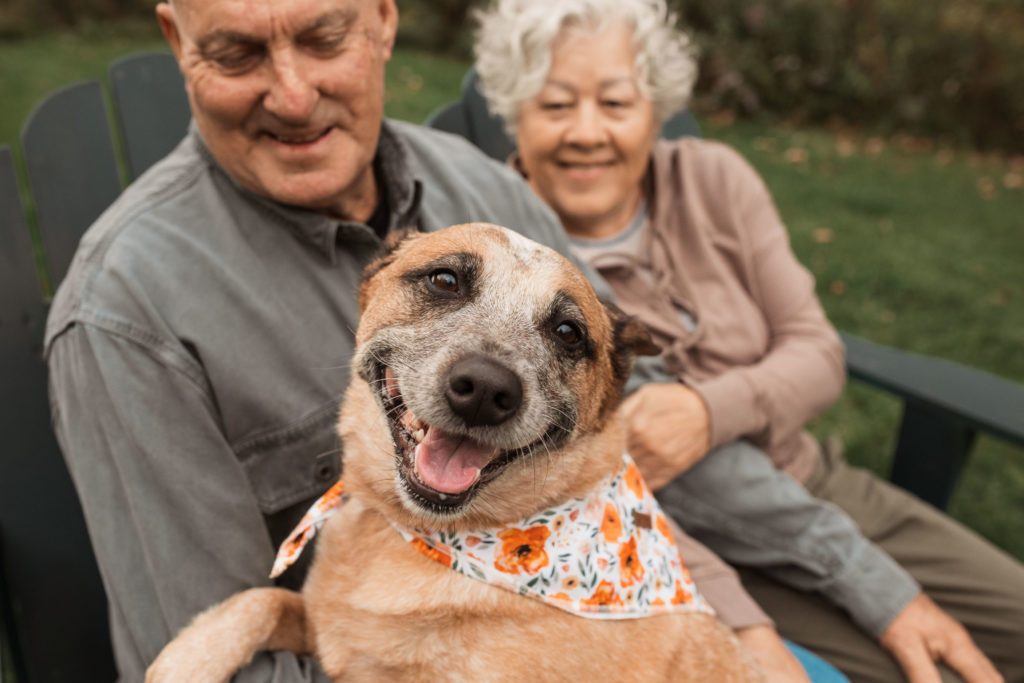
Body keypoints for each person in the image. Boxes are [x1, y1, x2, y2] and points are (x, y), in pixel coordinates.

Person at [43, 0, 827, 680]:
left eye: (323, 38)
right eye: (237, 50)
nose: (292, 93)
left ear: (384, 20)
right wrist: (258, 614)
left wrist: (758, 623)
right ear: (178, 41)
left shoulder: (481, 185)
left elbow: (641, 446)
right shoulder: (126, 313)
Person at [472, 0, 1024, 681]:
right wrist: (737, 618)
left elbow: (817, 351)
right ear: (514, 113)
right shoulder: (510, 260)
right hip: (663, 543)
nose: (588, 131)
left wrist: (707, 412)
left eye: (615, 102)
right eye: (556, 106)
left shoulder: (714, 179)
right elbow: (593, 484)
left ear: (655, 106)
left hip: (816, 481)